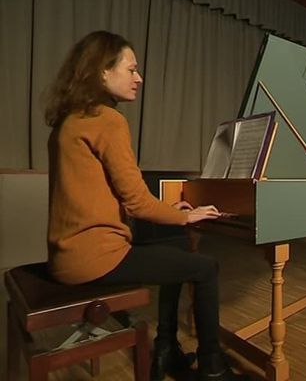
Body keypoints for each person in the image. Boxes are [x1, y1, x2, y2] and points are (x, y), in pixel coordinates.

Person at [45, 30, 249, 381]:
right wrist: (190, 214)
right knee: (205, 268)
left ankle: (166, 349)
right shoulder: (107, 120)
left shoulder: (71, 119)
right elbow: (137, 202)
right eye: (131, 69)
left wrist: (176, 218)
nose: (139, 78)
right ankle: (213, 368)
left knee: (176, 246)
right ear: (102, 72)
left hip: (67, 255)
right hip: (95, 259)